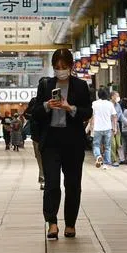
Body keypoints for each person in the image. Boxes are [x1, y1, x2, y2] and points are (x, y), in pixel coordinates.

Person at [32, 48, 92, 240]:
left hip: (73, 140)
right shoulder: (45, 85)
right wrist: (46, 106)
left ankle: (70, 223)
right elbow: (34, 112)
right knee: (52, 183)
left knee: (73, 184)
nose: (60, 70)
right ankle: (52, 222)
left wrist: (70, 108)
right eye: (57, 67)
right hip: (51, 140)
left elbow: (87, 112)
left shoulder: (81, 86)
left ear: (71, 67)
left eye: (64, 67)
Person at [90, 89, 118, 169]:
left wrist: (91, 125)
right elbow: (114, 116)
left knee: (96, 145)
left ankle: (98, 156)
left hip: (97, 128)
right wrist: (115, 127)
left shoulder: (94, 103)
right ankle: (106, 164)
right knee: (107, 146)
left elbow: (91, 115)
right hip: (107, 128)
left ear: (98, 95)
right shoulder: (110, 104)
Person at [25, 93, 46, 190]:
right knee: (41, 157)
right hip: (40, 135)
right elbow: (26, 114)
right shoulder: (35, 101)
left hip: (39, 135)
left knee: (40, 157)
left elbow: (26, 115)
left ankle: (44, 178)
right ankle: (44, 178)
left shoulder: (35, 101)